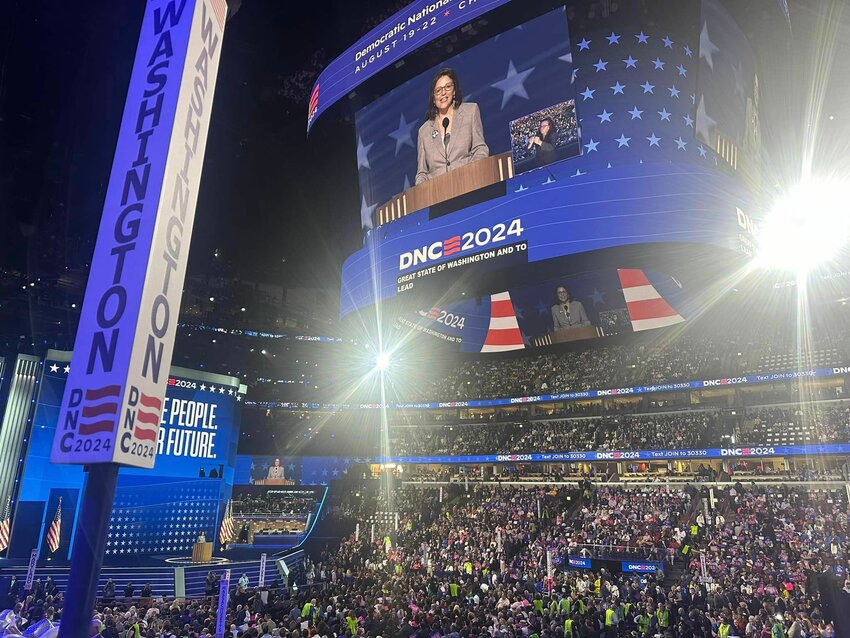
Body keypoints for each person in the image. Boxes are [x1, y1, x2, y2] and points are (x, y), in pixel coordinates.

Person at [415, 67, 489, 184]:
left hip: (469, 182)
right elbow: (422, 173)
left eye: (448, 87)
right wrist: (422, 190)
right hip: (436, 192)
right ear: (433, 98)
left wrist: (471, 172)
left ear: (454, 91)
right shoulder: (423, 131)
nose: (443, 93)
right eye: (438, 90)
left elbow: (480, 149)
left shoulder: (471, 111)